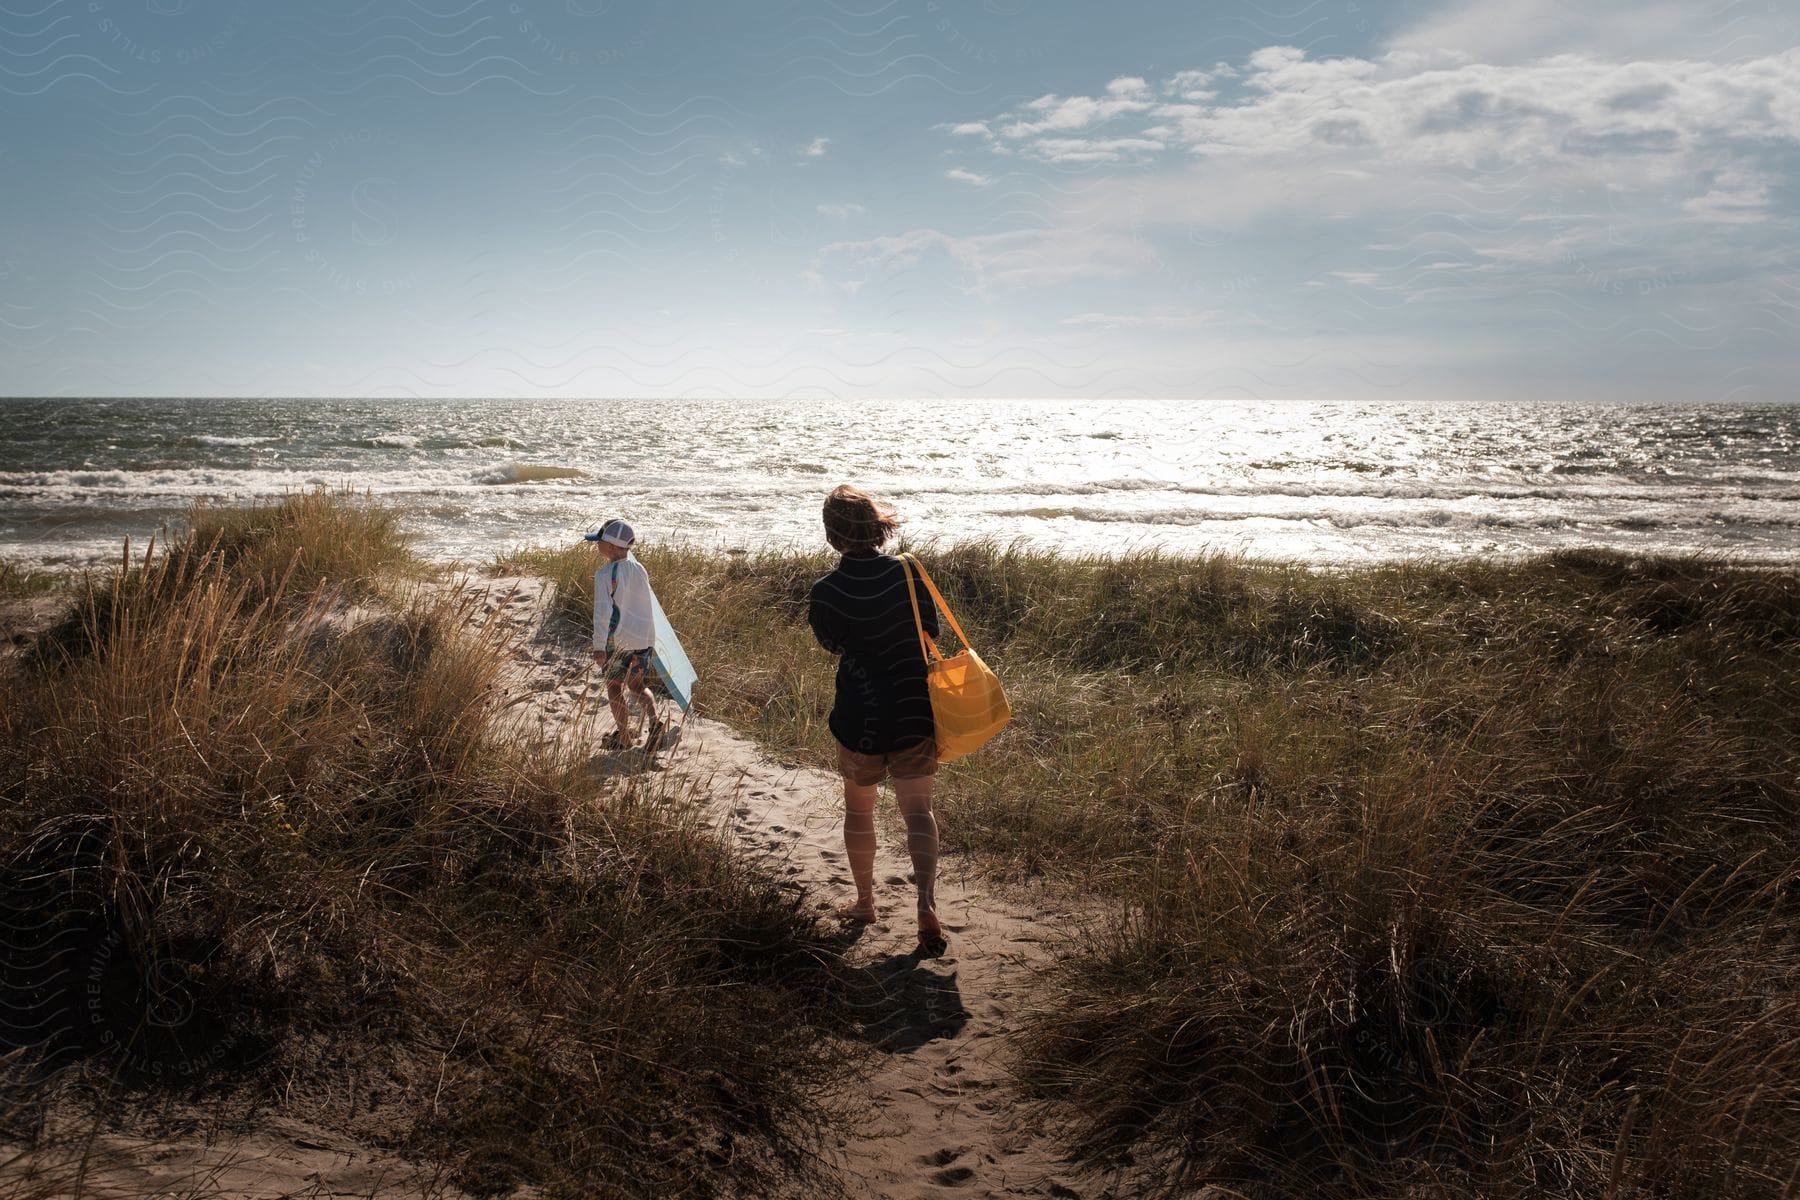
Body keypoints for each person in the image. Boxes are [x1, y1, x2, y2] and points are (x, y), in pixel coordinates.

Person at [806, 485, 948, 956]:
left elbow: (831, 644)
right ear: (877, 527)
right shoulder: (909, 575)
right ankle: (926, 905)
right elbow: (931, 631)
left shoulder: (825, 592)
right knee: (918, 811)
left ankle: (866, 903)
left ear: (832, 537)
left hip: (860, 712)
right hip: (913, 706)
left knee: (859, 810)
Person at [588, 518, 662, 751]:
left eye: (599, 541)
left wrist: (599, 646)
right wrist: (650, 639)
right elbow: (646, 605)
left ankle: (624, 738)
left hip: (617, 642)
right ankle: (655, 723)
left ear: (610, 546)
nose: (596, 544)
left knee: (614, 687)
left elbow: (602, 612)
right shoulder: (640, 569)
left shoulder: (605, 574)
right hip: (643, 639)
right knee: (638, 686)